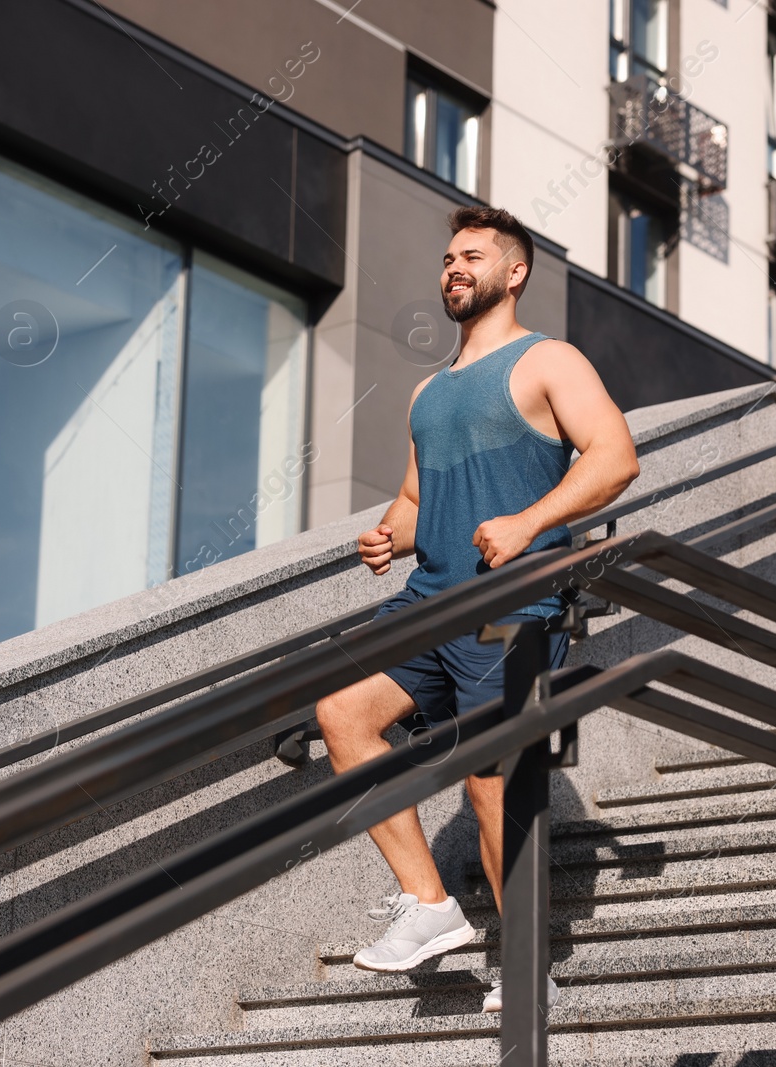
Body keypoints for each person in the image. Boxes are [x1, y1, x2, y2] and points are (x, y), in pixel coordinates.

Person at [314, 205, 639, 1013]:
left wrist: (530, 522)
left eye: (472, 256)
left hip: (512, 607)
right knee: (344, 713)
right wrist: (389, 534)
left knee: (488, 783)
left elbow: (617, 457)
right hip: (431, 601)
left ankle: (526, 966)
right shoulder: (430, 391)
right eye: (449, 258)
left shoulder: (548, 361)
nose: (454, 268)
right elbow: (418, 497)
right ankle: (429, 905)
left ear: (514, 272)